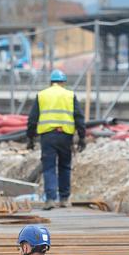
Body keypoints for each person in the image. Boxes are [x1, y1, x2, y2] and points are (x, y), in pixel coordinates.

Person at [26, 70, 86, 210]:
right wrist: (82, 137)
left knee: (49, 168)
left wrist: (30, 137)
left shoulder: (42, 95)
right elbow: (79, 117)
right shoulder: (70, 95)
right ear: (63, 82)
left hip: (47, 136)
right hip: (65, 136)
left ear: (51, 82)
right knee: (65, 166)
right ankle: (64, 199)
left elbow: (32, 119)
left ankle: (51, 200)